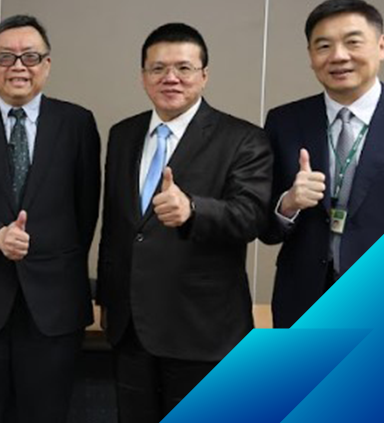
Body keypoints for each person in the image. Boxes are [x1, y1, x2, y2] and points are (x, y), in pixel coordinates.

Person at [98, 22, 272, 422]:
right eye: (158, 68)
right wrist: (108, 298)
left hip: (202, 329)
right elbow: (116, 226)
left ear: (204, 75)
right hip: (130, 328)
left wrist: (194, 210)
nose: (170, 78)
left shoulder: (243, 138)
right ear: (143, 76)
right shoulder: (123, 134)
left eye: (184, 68)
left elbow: (252, 217)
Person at [0, 16, 101, 423]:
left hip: (53, 306)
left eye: (30, 56)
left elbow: (86, 209)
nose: (18, 67)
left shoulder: (77, 123)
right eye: (6, 57)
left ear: (47, 64)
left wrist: (51, 256)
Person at [262, 0, 384, 328]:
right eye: (324, 46)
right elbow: (265, 227)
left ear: (381, 46)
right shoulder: (284, 121)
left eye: (352, 42)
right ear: (311, 56)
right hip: (303, 301)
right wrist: (288, 204)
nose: (339, 56)